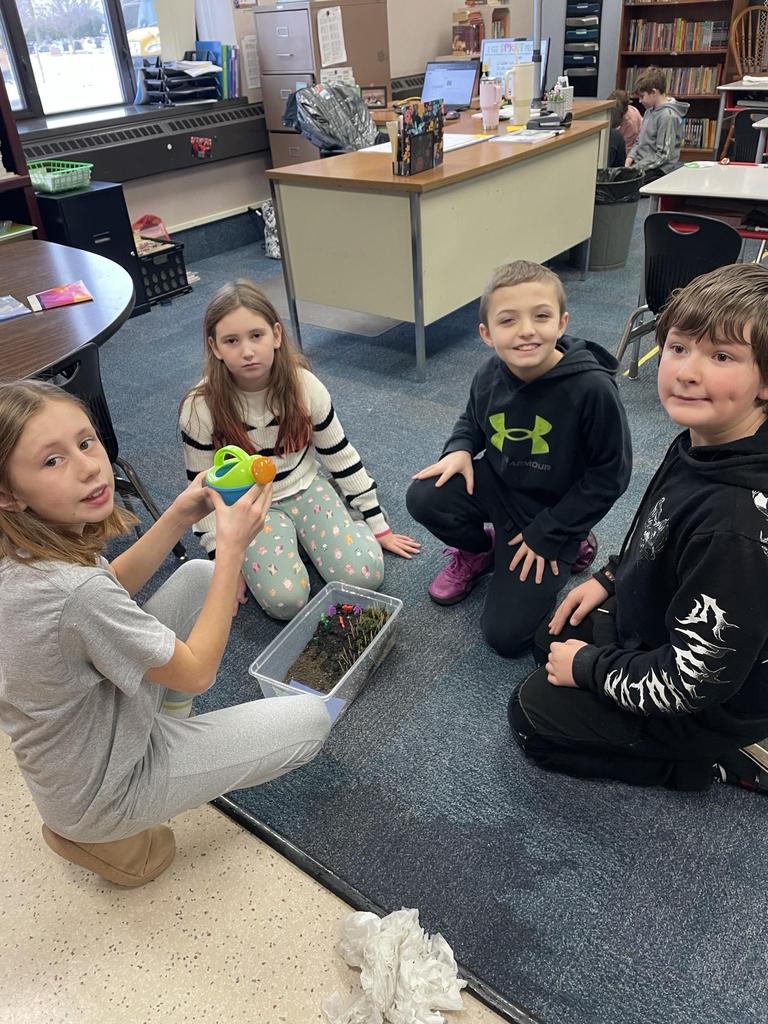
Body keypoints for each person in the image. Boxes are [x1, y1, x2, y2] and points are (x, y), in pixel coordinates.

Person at [0, 380, 332, 887]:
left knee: (196, 576)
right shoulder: (74, 593)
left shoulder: (29, 555)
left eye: (86, 442)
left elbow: (108, 586)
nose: (88, 467)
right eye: (52, 461)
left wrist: (179, 513)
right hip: (107, 791)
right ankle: (97, 834)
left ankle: (164, 725)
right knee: (310, 721)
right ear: (8, 494)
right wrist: (232, 550)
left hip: (89, 739)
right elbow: (197, 672)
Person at [509, 263, 768, 793]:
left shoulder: (735, 527)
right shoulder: (708, 435)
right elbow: (658, 526)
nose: (687, 371)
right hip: (665, 625)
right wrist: (611, 577)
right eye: (678, 347)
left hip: (710, 701)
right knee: (547, 638)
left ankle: (709, 762)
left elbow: (692, 683)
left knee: (532, 715)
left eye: (721, 356)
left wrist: (590, 669)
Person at [406, 260, 632, 658]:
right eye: (508, 320)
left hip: (553, 508)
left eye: (541, 316)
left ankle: (575, 542)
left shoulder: (592, 389)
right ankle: (481, 551)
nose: (526, 330)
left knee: (506, 637)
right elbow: (473, 419)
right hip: (500, 485)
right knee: (425, 495)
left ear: (561, 323)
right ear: (486, 334)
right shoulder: (489, 373)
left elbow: (610, 476)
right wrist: (459, 448)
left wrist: (551, 532)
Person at [180, 280, 420, 621]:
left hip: (306, 488)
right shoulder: (200, 407)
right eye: (231, 341)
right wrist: (224, 564)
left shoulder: (305, 386)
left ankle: (342, 520)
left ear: (276, 335)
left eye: (256, 335)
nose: (247, 351)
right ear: (214, 347)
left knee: (365, 575)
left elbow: (340, 456)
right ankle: (299, 543)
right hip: (248, 508)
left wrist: (378, 525)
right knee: (286, 602)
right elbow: (203, 490)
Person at [624, 68, 689, 183]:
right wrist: (631, 156)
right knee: (619, 178)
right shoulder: (649, 111)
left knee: (626, 186)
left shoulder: (667, 116)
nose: (640, 101)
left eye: (642, 96)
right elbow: (640, 139)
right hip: (644, 164)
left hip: (659, 169)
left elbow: (663, 156)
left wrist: (637, 168)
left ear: (654, 92)